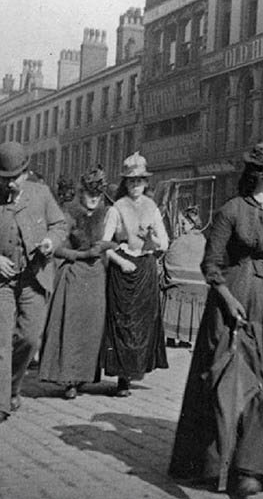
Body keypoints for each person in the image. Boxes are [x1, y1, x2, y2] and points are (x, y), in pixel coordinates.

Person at [169, 134, 263, 497]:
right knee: (229, 381)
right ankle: (217, 463)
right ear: (262, 177)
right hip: (233, 305)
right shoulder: (231, 211)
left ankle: (254, 468)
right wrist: (227, 297)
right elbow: (211, 264)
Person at [0, 141, 67, 425]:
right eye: (4, 178)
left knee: (30, 338)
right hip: (0, 282)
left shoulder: (41, 194)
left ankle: (10, 386)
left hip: (34, 277)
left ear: (26, 172)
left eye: (15, 178)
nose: (10, 184)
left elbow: (60, 226)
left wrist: (49, 242)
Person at [100, 151, 169, 397]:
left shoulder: (153, 208)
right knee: (123, 323)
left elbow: (164, 244)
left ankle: (135, 369)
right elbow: (103, 246)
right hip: (123, 269)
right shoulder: (116, 208)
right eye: (131, 181)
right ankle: (122, 378)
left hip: (145, 268)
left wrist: (152, 239)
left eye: (140, 181)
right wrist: (119, 261)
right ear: (125, 183)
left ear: (146, 183)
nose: (136, 185)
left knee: (142, 322)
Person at [40, 167, 113, 399]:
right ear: (81, 193)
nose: (93, 199)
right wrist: (81, 255)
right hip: (74, 276)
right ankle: (69, 380)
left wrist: (106, 247)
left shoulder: (106, 213)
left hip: (97, 278)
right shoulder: (69, 213)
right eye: (89, 194)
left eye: (97, 195)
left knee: (91, 329)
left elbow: (117, 240)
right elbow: (57, 248)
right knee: (71, 328)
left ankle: (84, 376)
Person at [162, 205, 208, 348]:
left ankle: (170, 337)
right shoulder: (204, 241)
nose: (182, 226)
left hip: (179, 284)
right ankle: (184, 339)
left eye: (184, 223)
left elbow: (169, 258)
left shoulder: (181, 241)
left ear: (192, 224)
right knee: (185, 295)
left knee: (173, 292)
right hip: (198, 285)